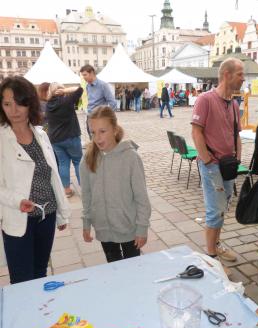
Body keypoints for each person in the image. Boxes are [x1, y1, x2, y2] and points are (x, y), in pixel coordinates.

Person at [0, 76, 70, 284]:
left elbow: (53, 175)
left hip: (45, 216)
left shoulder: (41, 133)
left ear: (30, 103)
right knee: (22, 280)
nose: (14, 110)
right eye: (7, 104)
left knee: (40, 274)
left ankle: (39, 315)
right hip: (18, 217)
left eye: (20, 102)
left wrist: (62, 214)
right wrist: (17, 201)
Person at [80, 105, 151, 262]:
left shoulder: (130, 158)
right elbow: (86, 194)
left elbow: (141, 198)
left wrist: (142, 228)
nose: (98, 138)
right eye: (93, 132)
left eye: (103, 131)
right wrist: (86, 222)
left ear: (114, 129)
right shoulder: (87, 160)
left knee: (132, 269)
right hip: (103, 229)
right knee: (113, 267)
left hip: (129, 229)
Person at [191, 58, 244, 264]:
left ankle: (217, 244)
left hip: (229, 166)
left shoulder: (233, 103)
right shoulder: (205, 99)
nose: (243, 78)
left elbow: (236, 134)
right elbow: (196, 132)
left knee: (223, 208)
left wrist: (237, 159)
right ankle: (211, 258)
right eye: (239, 73)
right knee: (215, 211)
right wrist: (207, 160)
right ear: (226, 75)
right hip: (212, 165)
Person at [46, 82, 83, 198]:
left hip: (56, 139)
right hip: (71, 136)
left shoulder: (48, 104)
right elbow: (80, 89)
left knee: (63, 164)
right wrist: (65, 91)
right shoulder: (66, 101)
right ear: (60, 90)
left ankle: (66, 190)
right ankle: (84, 187)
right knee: (78, 162)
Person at [80, 65, 116, 138]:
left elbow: (113, 103)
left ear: (92, 73)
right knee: (93, 141)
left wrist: (107, 118)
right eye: (82, 75)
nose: (83, 77)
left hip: (99, 119)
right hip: (89, 117)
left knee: (101, 142)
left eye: (85, 75)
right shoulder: (87, 86)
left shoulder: (103, 85)